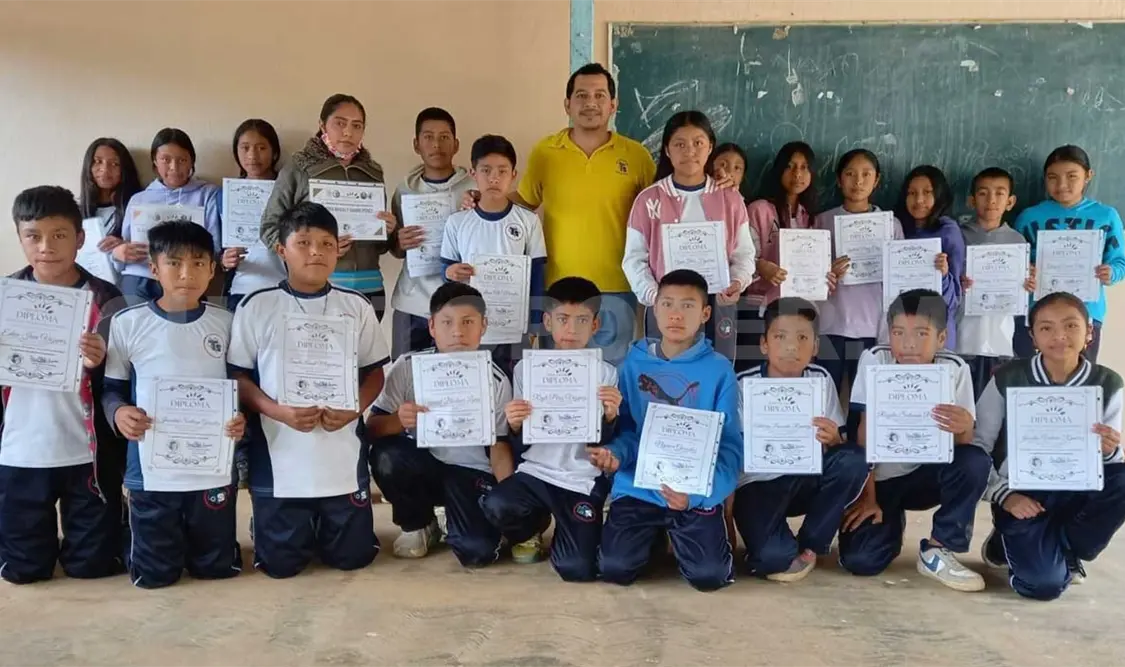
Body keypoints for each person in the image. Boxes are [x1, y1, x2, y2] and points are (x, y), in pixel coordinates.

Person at [228, 201, 390, 578]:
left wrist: (354, 409)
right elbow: (238, 378)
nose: (316, 251)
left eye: (326, 243)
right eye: (303, 243)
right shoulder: (257, 306)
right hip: (280, 454)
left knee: (353, 558)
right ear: (282, 250)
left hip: (341, 453)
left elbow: (374, 374)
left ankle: (328, 522)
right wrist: (277, 411)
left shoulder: (357, 306)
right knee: (281, 566)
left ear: (338, 249)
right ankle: (274, 522)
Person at [102, 221, 246, 588]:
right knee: (153, 577)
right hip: (151, 469)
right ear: (154, 268)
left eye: (199, 263)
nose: (187, 274)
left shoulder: (228, 324)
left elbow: (242, 387)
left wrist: (240, 419)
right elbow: (111, 390)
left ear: (213, 269)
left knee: (216, 570)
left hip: (212, 466)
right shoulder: (127, 323)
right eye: (174, 263)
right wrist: (119, 413)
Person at [0, 185, 126, 584]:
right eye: (33, 236)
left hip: (86, 454)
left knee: (92, 568)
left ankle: (113, 528)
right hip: (20, 451)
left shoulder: (107, 300)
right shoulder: (5, 297)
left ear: (80, 238)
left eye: (58, 235)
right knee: (24, 571)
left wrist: (99, 362)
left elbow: (124, 382)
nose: (45, 247)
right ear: (19, 238)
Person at [591, 269, 742, 591]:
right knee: (615, 569)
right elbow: (629, 429)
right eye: (667, 304)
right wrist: (616, 455)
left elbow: (729, 444)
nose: (676, 314)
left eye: (688, 306)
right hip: (638, 487)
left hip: (693, 491)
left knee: (709, 577)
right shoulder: (632, 365)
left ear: (705, 314)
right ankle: (655, 537)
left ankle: (686, 536)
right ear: (653, 310)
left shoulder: (719, 370)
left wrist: (700, 495)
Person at [838, 289, 991, 592]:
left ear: (942, 337)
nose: (908, 344)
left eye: (921, 333)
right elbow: (861, 434)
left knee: (975, 459)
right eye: (898, 332)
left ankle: (938, 547)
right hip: (881, 480)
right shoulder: (875, 360)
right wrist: (867, 496)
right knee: (861, 560)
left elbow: (964, 446)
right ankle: (890, 525)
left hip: (927, 475)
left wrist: (962, 426)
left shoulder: (955, 369)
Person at [976, 292, 1125, 600]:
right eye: (1046, 328)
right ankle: (1007, 541)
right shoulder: (1008, 378)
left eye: (1071, 326)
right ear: (1032, 336)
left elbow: (1113, 465)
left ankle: (1069, 549)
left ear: (1089, 333)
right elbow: (979, 447)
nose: (1059, 336)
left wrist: (1109, 449)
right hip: (1022, 494)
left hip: (1078, 491)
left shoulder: (1108, 383)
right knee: (1043, 587)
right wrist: (1004, 495)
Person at [481, 277, 622, 579]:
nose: (571, 329)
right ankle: (531, 529)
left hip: (581, 478)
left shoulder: (607, 373)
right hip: (537, 472)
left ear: (595, 325)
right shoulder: (527, 370)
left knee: (576, 569)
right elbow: (518, 440)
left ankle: (577, 529)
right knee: (496, 504)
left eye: (582, 320)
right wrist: (516, 422)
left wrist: (610, 416)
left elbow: (606, 441)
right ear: (547, 322)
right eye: (562, 319)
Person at [516, 63, 656, 363]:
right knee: (561, 380)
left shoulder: (637, 156)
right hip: (559, 289)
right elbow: (523, 204)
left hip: (618, 287)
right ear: (567, 103)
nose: (590, 103)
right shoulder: (545, 152)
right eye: (581, 95)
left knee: (610, 380)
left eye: (599, 95)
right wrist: (481, 198)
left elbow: (663, 210)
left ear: (613, 104)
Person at [366, 283, 513, 565]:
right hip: (423, 467)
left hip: (470, 473)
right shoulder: (407, 367)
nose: (457, 332)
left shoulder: (495, 379)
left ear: (483, 326)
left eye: (468, 322)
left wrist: (508, 497)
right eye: (447, 322)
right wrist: (398, 420)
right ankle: (417, 524)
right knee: (387, 456)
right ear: (432, 326)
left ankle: (460, 522)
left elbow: (500, 444)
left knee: (477, 552)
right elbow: (373, 428)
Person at [732, 297, 867, 582]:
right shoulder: (744, 385)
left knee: (853, 459)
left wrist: (832, 439)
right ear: (764, 344)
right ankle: (769, 544)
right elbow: (731, 453)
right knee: (773, 559)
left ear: (816, 346)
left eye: (803, 337)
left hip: (806, 475)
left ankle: (811, 542)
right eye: (780, 337)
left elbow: (838, 446)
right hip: (758, 483)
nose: (791, 347)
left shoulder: (821, 379)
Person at [621, 111, 755, 362]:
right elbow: (634, 259)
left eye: (698, 143)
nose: (689, 151)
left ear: (710, 148)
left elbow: (744, 254)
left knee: (713, 380)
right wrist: (656, 298)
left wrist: (738, 282)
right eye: (680, 144)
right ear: (668, 150)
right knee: (667, 381)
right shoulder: (649, 200)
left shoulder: (731, 200)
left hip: (717, 306)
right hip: (666, 309)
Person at [259, 94, 396, 319]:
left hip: (370, 287)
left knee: (365, 354)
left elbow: (379, 246)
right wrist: (313, 250)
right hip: (316, 287)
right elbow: (270, 228)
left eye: (357, 125)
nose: (348, 132)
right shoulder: (299, 168)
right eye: (340, 123)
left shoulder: (373, 172)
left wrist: (388, 231)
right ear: (322, 125)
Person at [441, 134, 546, 375]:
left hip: (514, 327)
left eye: (502, 171)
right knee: (474, 385)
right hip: (468, 326)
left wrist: (535, 325)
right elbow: (445, 271)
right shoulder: (457, 222)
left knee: (512, 390)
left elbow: (538, 276)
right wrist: (450, 272)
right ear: (473, 173)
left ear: (513, 175)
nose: (494, 178)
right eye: (486, 170)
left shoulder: (528, 221)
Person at [1012, 145, 1125, 363]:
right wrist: (1024, 271)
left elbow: (1120, 261)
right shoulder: (1029, 217)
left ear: (1088, 176)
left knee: (1080, 381)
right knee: (1031, 381)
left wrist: (1111, 273)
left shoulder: (1106, 216)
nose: (1062, 185)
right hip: (1036, 311)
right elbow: (1015, 261)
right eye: (1052, 177)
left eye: (1072, 176)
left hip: (1086, 311)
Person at [814, 149, 905, 396]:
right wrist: (826, 272)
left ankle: (857, 436)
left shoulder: (891, 224)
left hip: (870, 326)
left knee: (862, 398)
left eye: (866, 174)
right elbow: (809, 274)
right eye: (850, 174)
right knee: (825, 394)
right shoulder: (822, 221)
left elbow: (902, 276)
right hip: (830, 325)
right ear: (839, 179)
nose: (858, 181)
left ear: (877, 180)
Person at [389, 107, 476, 358]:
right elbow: (394, 248)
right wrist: (398, 241)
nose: (436, 144)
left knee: (453, 382)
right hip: (412, 303)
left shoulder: (473, 188)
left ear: (456, 144)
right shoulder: (404, 190)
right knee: (405, 379)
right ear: (416, 144)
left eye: (444, 137)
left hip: (458, 304)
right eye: (428, 137)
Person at [739, 142, 822, 372]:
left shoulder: (811, 218)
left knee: (792, 374)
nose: (798, 174)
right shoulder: (759, 210)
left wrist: (827, 277)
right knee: (755, 373)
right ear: (778, 170)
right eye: (790, 166)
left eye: (805, 167)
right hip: (758, 310)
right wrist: (759, 266)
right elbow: (742, 256)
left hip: (798, 312)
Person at [114, 128, 222, 301]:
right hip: (141, 276)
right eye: (166, 159)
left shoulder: (207, 194)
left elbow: (214, 246)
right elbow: (124, 247)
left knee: (182, 324)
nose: (174, 167)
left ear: (191, 161)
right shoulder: (139, 200)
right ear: (155, 161)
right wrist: (120, 253)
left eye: (182, 160)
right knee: (138, 325)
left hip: (185, 276)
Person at [956, 168, 1036, 399]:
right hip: (964, 335)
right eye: (983, 193)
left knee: (992, 405)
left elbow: (1022, 292)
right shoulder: (958, 235)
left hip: (1001, 338)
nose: (991, 200)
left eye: (1000, 193)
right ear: (972, 200)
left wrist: (1028, 284)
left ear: (1010, 202)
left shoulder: (1017, 241)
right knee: (963, 403)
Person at [894, 165, 963, 348]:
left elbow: (954, 299)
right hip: (902, 325)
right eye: (912, 193)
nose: (919, 200)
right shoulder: (896, 230)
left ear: (939, 195)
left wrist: (943, 274)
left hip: (936, 327)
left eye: (927, 192)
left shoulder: (948, 231)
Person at [222, 119, 285, 310]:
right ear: (236, 152)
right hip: (241, 289)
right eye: (245, 148)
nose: (252, 155)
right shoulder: (225, 195)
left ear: (274, 152)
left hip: (284, 289)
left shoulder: (289, 192)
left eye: (261, 148)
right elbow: (216, 246)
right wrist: (224, 260)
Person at [78, 138, 143, 284]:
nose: (105, 169)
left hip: (125, 290)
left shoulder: (137, 207)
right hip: (87, 289)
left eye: (115, 164)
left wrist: (124, 245)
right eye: (98, 161)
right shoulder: (75, 212)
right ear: (88, 166)